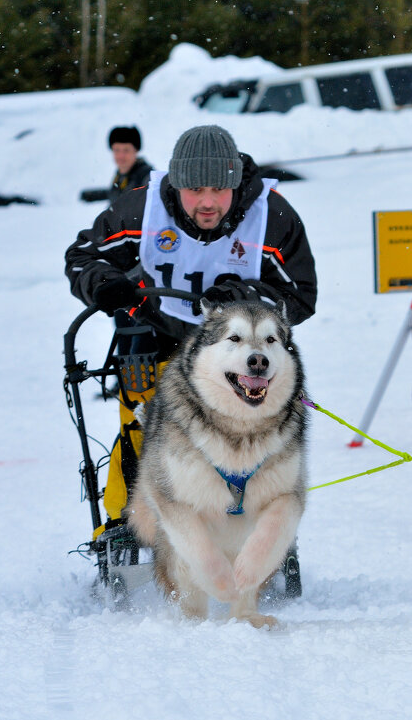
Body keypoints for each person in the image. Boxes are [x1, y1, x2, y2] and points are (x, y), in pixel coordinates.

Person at [65, 125, 318, 537]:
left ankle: (253, 519)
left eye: (219, 189)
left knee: (250, 431)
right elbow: (82, 256)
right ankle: (125, 521)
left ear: (236, 182)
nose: (207, 202)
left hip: (239, 347)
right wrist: (103, 283)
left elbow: (301, 295)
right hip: (156, 332)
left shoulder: (273, 219)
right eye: (194, 189)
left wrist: (242, 293)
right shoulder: (139, 210)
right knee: (144, 424)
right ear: (176, 183)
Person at [106, 126, 154, 203]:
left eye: (126, 150)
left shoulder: (147, 177)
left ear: (136, 151)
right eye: (117, 150)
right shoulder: (121, 175)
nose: (121, 156)